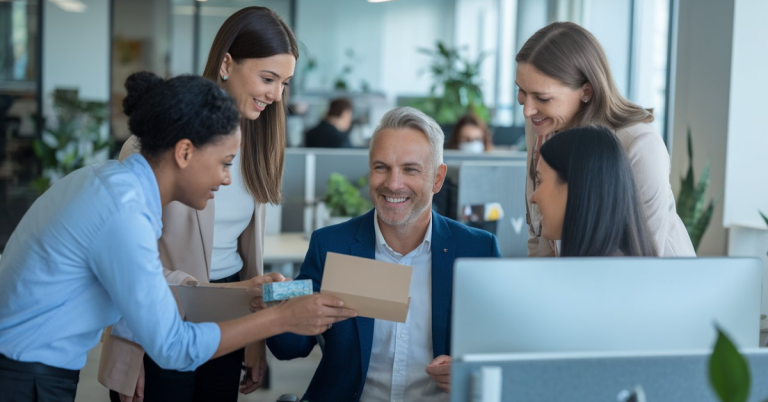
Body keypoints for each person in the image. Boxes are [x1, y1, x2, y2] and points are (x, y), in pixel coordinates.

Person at [0, 72, 356, 402]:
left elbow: (150, 289)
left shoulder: (113, 185)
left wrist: (244, 290)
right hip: (22, 377)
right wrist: (282, 319)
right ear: (185, 152)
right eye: (225, 163)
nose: (228, 179)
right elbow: (174, 347)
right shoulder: (125, 213)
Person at [100, 6, 301, 402]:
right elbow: (125, 261)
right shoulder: (152, 144)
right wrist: (131, 347)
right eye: (267, 78)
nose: (276, 96)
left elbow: (248, 257)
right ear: (227, 63)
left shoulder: (259, 147)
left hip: (229, 310)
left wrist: (255, 336)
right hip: (159, 312)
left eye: (284, 84)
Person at [267, 107, 502, 402]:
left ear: (437, 179)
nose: (393, 183)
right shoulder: (331, 244)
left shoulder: (477, 251)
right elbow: (290, 347)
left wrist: (472, 371)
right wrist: (275, 300)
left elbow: (501, 352)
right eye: (381, 167)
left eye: (410, 169)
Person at [516, 21, 695, 258]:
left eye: (542, 97)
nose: (527, 110)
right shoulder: (542, 124)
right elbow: (538, 229)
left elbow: (644, 258)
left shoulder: (638, 144)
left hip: (657, 283)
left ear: (587, 91)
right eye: (521, 91)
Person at [531, 125, 657, 256]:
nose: (533, 198)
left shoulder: (602, 274)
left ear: (576, 187)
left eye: (540, 181)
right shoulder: (609, 268)